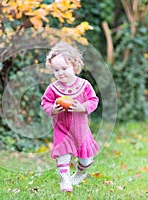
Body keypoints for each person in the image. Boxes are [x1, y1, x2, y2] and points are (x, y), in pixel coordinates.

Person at [41, 41, 99, 192]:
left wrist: (83, 107)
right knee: (63, 156)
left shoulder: (84, 85)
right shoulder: (53, 88)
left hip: (80, 130)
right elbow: (45, 103)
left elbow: (93, 100)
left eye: (64, 68)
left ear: (74, 65)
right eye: (56, 70)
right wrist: (53, 109)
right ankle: (65, 181)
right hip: (62, 129)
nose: (60, 73)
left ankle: (80, 172)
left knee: (86, 160)